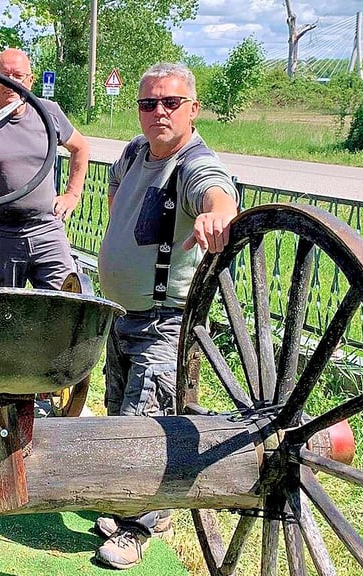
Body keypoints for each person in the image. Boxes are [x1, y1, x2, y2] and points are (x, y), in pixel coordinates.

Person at [94, 62, 239, 570]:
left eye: (170, 103)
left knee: (147, 428)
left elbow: (216, 189)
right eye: (148, 103)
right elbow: (117, 196)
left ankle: (140, 526)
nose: (158, 112)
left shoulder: (194, 163)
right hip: (119, 316)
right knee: (118, 417)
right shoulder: (134, 152)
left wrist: (217, 212)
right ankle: (131, 506)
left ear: (193, 109)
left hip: (163, 323)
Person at [0, 48, 90, 290]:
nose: (11, 83)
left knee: (64, 305)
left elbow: (80, 148)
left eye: (18, 76)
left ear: (31, 80)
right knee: (3, 313)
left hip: (47, 229)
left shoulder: (49, 113)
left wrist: (72, 195)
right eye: (3, 76)